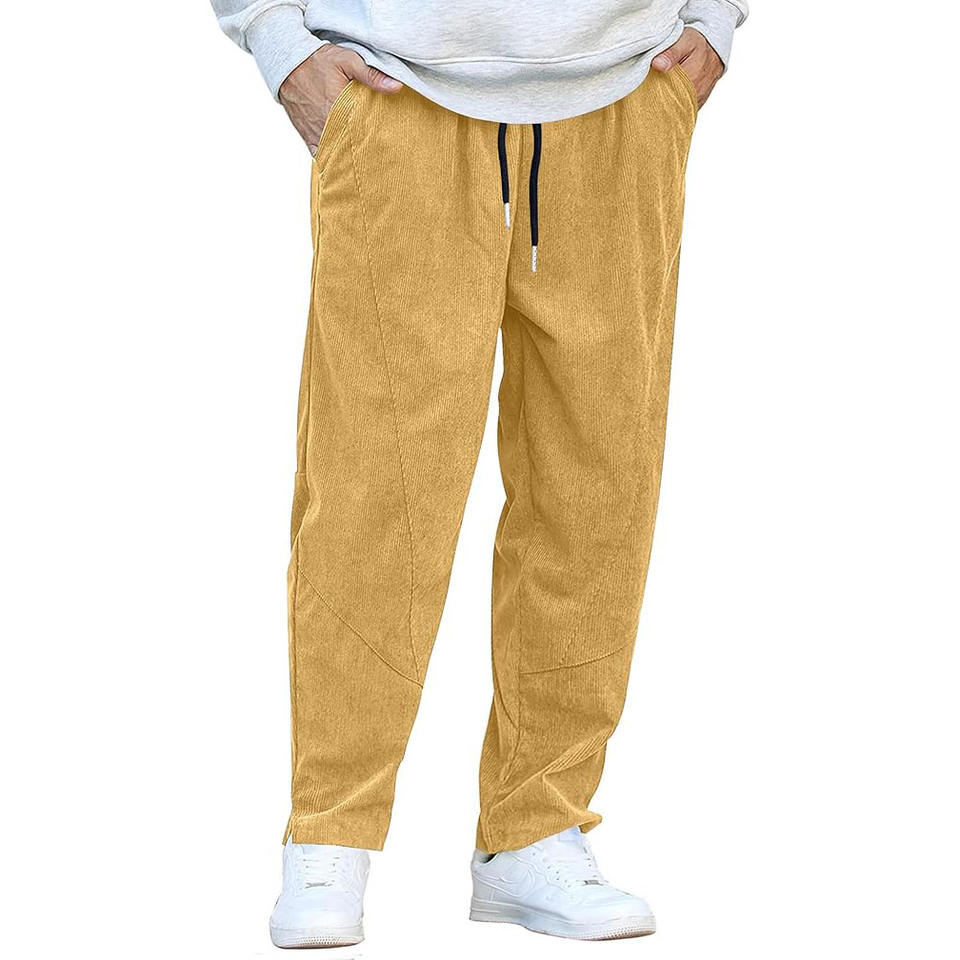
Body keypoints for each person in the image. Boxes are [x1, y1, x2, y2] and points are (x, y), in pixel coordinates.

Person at [211, 0, 748, 947]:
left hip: (626, 91)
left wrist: (718, 17)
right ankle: (330, 830)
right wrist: (275, 36)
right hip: (397, 92)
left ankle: (536, 828)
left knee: (596, 482)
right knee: (374, 487)